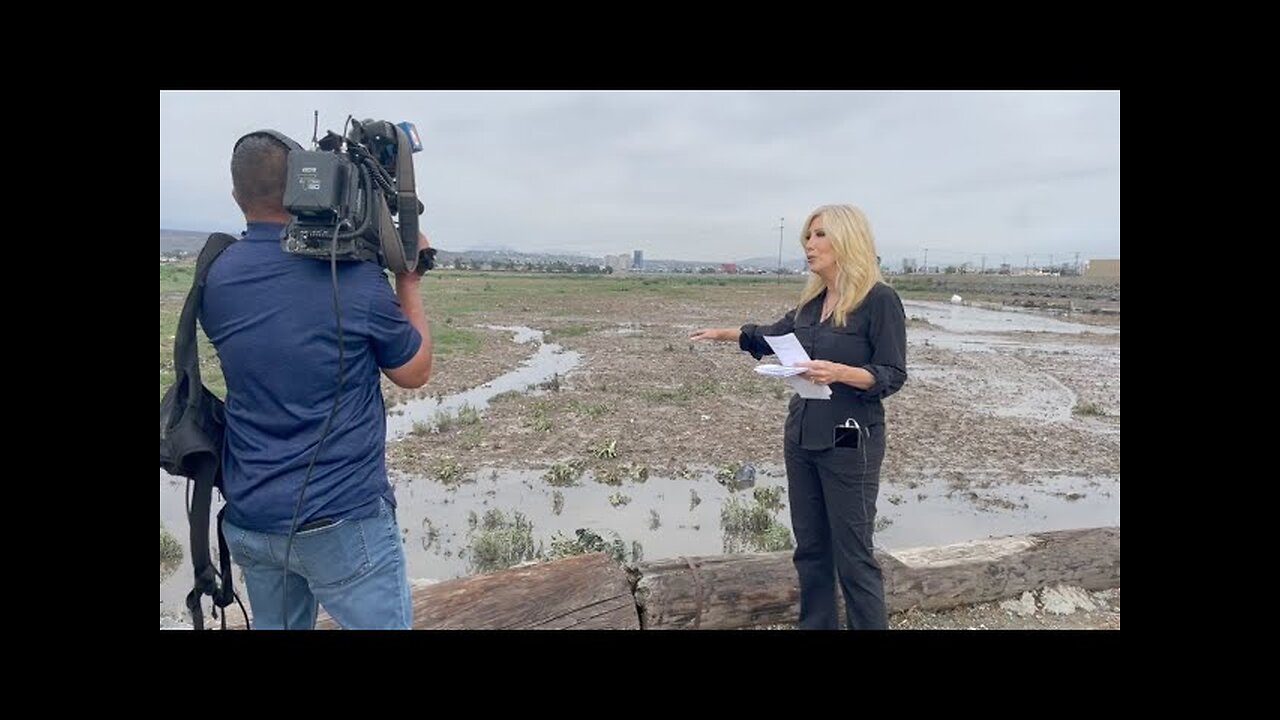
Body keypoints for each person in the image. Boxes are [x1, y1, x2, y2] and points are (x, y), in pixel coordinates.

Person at [200, 130, 433, 629]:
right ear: (305, 188)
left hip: (251, 519)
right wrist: (407, 279)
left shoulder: (216, 278)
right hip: (343, 522)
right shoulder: (352, 277)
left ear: (236, 196)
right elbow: (413, 371)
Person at [690, 204, 907, 630]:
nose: (810, 245)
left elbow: (892, 374)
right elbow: (774, 336)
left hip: (851, 441)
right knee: (810, 550)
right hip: (802, 436)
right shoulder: (811, 303)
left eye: (820, 235)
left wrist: (841, 372)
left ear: (848, 240)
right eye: (807, 237)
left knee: (854, 555)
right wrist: (727, 334)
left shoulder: (879, 300)